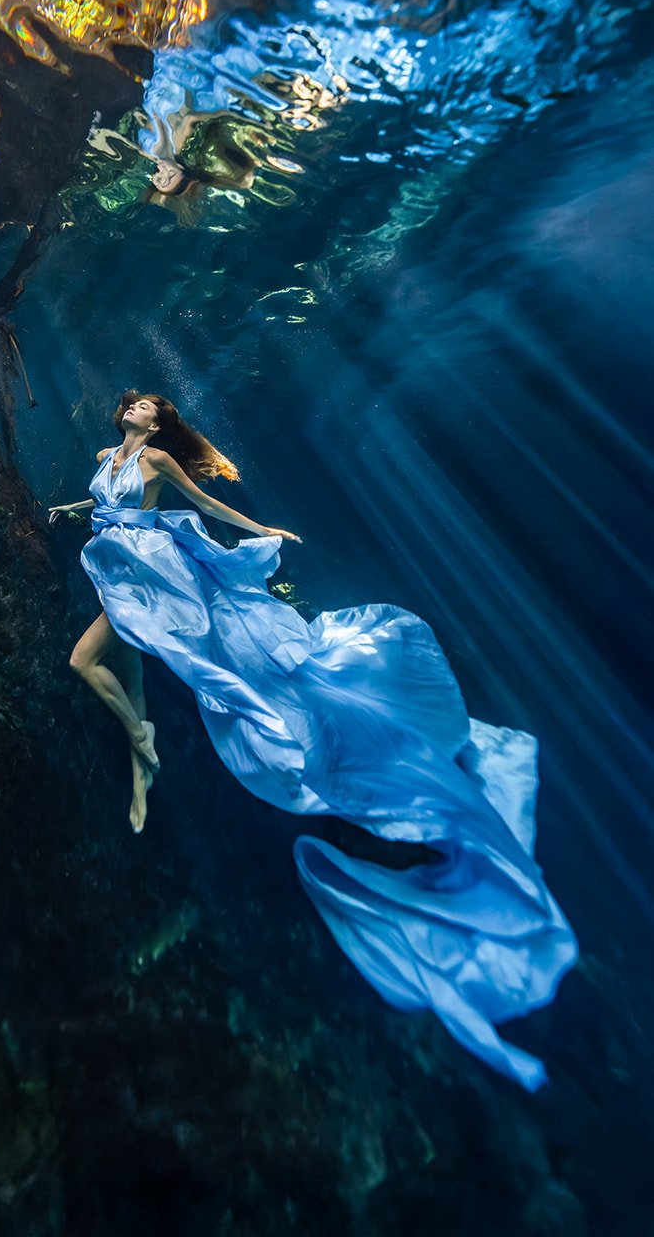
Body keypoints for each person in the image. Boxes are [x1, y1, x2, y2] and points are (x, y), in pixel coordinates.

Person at [49, 390, 578, 1090]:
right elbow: (105, 504)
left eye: (153, 407)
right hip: (117, 565)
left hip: (157, 577)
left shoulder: (158, 465)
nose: (144, 410)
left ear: (157, 424)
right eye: (138, 403)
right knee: (113, 661)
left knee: (137, 664)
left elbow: (206, 510)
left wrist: (257, 526)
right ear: (122, 414)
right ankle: (139, 743)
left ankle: (153, 735)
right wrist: (71, 511)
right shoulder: (104, 458)